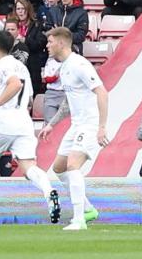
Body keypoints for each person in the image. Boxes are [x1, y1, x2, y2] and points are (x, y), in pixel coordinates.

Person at [0, 26, 62, 229]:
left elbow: (14, 85)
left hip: (5, 118)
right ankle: (49, 192)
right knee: (29, 166)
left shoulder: (2, 65)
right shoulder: (22, 67)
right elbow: (28, 98)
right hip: (23, 119)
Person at [44, 25, 105, 233]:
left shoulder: (80, 64)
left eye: (50, 41)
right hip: (76, 124)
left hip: (89, 123)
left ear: (61, 42)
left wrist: (102, 127)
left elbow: (102, 92)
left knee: (73, 165)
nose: (47, 45)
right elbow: (68, 103)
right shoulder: (64, 67)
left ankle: (79, 220)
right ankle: (88, 209)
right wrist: (52, 124)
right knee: (59, 168)